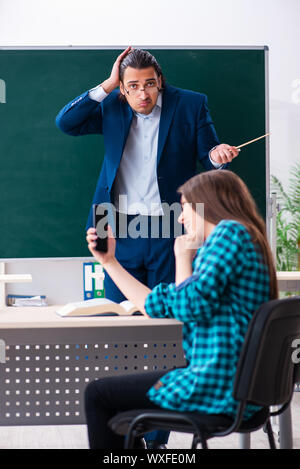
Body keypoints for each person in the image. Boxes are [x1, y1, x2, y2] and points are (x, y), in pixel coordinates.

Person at [56, 48, 239, 447]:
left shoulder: (191, 104)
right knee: (116, 326)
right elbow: (66, 123)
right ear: (122, 88)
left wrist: (218, 155)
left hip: (170, 222)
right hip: (113, 222)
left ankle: (156, 439)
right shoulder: (112, 104)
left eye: (150, 85)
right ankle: (123, 432)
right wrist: (107, 84)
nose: (142, 94)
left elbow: (208, 154)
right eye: (133, 86)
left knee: (165, 330)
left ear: (161, 82)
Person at [84, 170, 278, 450]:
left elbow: (187, 305)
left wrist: (179, 257)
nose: (181, 217)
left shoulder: (229, 233)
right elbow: (173, 305)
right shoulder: (247, 237)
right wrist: (111, 262)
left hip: (218, 384)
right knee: (118, 410)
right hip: (237, 385)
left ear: (208, 203)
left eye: (185, 206)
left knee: (98, 394)